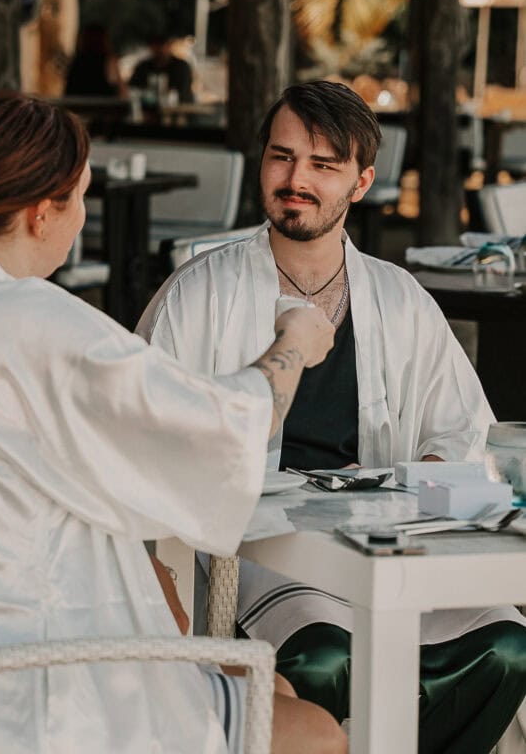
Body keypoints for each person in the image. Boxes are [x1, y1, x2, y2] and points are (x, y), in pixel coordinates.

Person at [0, 92, 346, 754]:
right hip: (15, 700)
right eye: (81, 197)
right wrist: (296, 342)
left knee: (270, 689)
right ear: (41, 212)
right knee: (317, 733)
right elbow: (213, 434)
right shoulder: (20, 319)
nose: (81, 218)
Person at [137, 80, 526, 754]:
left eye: (323, 165)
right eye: (281, 157)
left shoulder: (400, 299)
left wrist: (421, 475)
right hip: (255, 545)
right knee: (324, 656)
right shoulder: (198, 294)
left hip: (382, 538)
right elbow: (149, 439)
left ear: (361, 181)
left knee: (507, 646)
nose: (295, 180)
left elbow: (463, 432)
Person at [65, 23, 128, 98]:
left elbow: (68, 91)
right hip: (105, 107)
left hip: (79, 107)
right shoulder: (109, 62)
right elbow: (122, 92)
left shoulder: (77, 61)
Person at [129, 35, 195, 103]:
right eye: (155, 46)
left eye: (162, 45)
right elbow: (133, 88)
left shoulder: (181, 66)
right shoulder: (143, 67)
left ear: (169, 46)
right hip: (149, 108)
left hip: (179, 108)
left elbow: (184, 92)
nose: (160, 49)